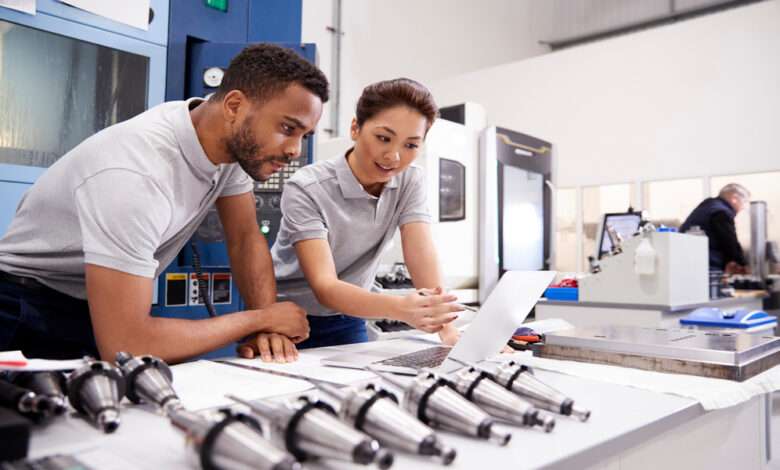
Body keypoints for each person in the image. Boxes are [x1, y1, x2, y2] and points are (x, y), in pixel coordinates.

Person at [0, 44, 328, 363]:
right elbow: (126, 346)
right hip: (23, 309)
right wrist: (258, 320)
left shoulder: (228, 145)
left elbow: (244, 238)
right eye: (287, 128)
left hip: (90, 307)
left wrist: (266, 324)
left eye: (305, 136)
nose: (295, 151)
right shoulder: (135, 174)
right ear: (233, 106)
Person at [238, 78, 462, 363]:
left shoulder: (410, 180)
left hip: (351, 315)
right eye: (383, 138)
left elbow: (419, 251)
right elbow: (325, 285)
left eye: (410, 145)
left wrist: (447, 328)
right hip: (289, 321)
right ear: (355, 128)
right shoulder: (307, 187)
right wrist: (398, 308)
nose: (394, 156)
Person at [680, 183, 750, 273]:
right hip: (708, 265)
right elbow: (729, 242)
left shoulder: (708, 206)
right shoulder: (721, 212)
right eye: (744, 202)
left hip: (689, 261)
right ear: (734, 199)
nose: (743, 207)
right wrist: (743, 264)